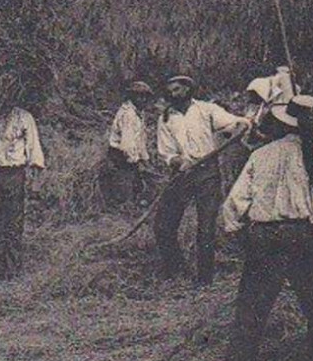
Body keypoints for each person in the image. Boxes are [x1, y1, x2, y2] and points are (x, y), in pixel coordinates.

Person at [218, 95, 313, 361]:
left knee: (250, 312)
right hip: (303, 238)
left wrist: (236, 233)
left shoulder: (262, 155)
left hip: (263, 239)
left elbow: (234, 204)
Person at [154, 74, 250, 285]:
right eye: (169, 89)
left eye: (177, 89)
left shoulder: (207, 110)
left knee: (206, 228)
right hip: (182, 175)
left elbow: (235, 123)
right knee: (163, 225)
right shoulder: (166, 118)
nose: (172, 93)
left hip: (207, 173)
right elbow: (166, 152)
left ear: (188, 89)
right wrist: (179, 161)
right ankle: (176, 270)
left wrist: (241, 125)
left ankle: (204, 279)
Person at [0, 104, 45, 280]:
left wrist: (36, 181)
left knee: (14, 224)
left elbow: (34, 149)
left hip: (14, 174)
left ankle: (12, 271)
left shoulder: (24, 117)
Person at [102, 81, 153, 209]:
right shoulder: (128, 114)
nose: (143, 99)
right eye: (139, 96)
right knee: (124, 187)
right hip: (120, 155)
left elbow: (140, 140)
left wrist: (145, 159)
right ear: (132, 97)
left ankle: (132, 208)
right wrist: (136, 162)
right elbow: (127, 143)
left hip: (130, 156)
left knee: (137, 186)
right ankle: (123, 213)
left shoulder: (139, 113)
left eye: (145, 96)